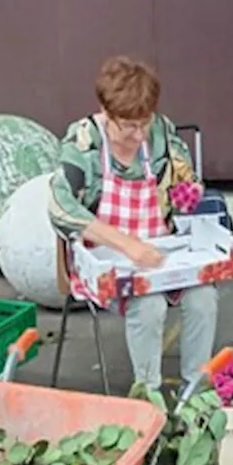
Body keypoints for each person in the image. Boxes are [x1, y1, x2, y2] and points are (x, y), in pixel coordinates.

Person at [48, 55, 216, 390]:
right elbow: (60, 208)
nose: (140, 135)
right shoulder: (84, 141)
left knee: (204, 296)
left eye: (145, 123)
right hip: (104, 258)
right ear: (106, 112)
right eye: (129, 126)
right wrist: (128, 245)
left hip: (160, 252)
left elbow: (187, 175)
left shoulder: (160, 131)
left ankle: (196, 390)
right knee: (149, 303)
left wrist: (189, 189)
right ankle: (148, 394)